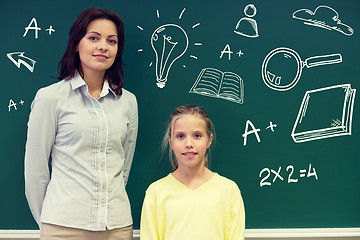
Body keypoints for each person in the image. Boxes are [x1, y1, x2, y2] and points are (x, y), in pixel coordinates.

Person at [24, 7, 138, 240]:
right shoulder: (51, 98)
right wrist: (49, 221)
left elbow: (123, 165)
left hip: (116, 227)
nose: (103, 47)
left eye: (112, 41)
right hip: (62, 227)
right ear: (77, 43)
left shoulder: (128, 101)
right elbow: (35, 170)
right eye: (94, 38)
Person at [140, 105, 245, 240]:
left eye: (197, 135)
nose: (189, 143)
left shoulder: (229, 191)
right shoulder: (156, 192)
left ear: (209, 140)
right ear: (170, 141)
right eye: (180, 136)